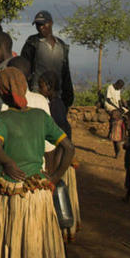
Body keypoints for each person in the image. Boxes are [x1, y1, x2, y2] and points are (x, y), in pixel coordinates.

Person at [0, 67, 74, 258]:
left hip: (13, 193)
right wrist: (54, 177)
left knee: (13, 243)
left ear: (3, 93)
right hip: (39, 192)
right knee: (39, 244)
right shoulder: (41, 116)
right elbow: (68, 147)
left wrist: (8, 162)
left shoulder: (2, 118)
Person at [38, 70, 81, 241]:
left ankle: (59, 234)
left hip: (60, 157)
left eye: (41, 86)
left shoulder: (53, 107)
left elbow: (58, 139)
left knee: (59, 196)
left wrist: (54, 169)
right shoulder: (58, 103)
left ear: (48, 87)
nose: (39, 90)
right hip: (62, 155)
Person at [21, 11, 74, 109]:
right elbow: (24, 68)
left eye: (43, 24)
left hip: (57, 96)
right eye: (38, 25)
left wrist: (68, 98)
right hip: (37, 95)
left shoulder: (61, 46)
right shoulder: (32, 43)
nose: (40, 27)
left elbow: (65, 73)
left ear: (51, 23)